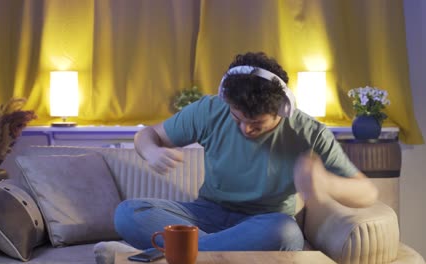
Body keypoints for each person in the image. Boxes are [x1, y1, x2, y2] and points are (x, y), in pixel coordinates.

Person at [114, 51, 378, 251]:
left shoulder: (309, 133)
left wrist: (327, 182)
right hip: (206, 214)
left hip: (264, 222)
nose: (245, 129)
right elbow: (147, 135)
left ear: (282, 110)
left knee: (285, 234)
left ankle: (181, 252)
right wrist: (151, 152)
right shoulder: (210, 109)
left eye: (256, 124)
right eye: (237, 118)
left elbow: (367, 193)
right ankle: (208, 253)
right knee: (128, 214)